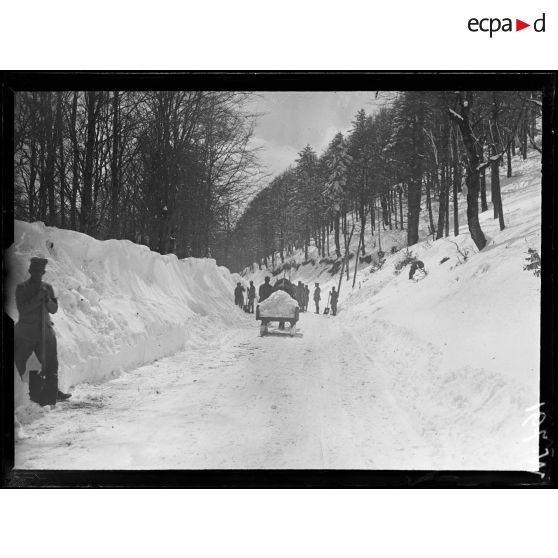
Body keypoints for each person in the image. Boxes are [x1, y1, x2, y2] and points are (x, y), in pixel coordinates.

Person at [14, 257, 71, 404]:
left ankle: (53, 392)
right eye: (34, 271)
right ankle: (17, 396)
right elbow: (22, 310)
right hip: (25, 334)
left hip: (45, 334)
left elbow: (54, 310)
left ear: (43, 272)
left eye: (40, 272)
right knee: (18, 365)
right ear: (30, 271)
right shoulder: (22, 288)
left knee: (51, 364)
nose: (37, 274)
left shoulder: (48, 288)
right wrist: (37, 299)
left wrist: (47, 300)